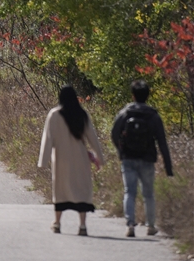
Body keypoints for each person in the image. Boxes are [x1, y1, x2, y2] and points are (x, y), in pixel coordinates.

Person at [38, 85, 105, 235]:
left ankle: (57, 223)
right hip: (80, 158)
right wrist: (100, 158)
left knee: (61, 190)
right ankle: (82, 226)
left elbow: (47, 139)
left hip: (61, 158)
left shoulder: (54, 114)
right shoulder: (82, 114)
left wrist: (43, 160)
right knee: (81, 190)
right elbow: (93, 139)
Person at [111, 79, 173, 237]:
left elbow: (114, 133)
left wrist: (121, 150)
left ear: (133, 95)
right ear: (148, 95)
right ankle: (151, 226)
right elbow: (162, 141)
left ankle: (130, 225)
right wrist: (168, 166)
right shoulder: (153, 115)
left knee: (129, 192)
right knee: (148, 193)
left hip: (128, 158)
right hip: (147, 158)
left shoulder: (126, 112)